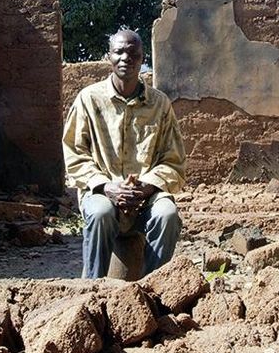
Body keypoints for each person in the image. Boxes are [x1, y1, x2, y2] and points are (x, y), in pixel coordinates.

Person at [62, 28, 186, 278]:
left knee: (167, 214)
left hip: (145, 199)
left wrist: (147, 187)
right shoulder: (89, 99)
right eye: (119, 52)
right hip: (103, 193)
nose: (126, 58)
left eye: (133, 53)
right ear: (109, 56)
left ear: (142, 59)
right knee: (100, 212)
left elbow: (173, 160)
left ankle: (156, 292)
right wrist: (106, 186)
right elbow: (74, 152)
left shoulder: (160, 104)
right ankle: (92, 290)